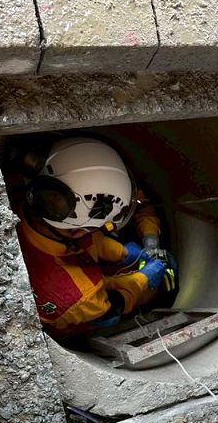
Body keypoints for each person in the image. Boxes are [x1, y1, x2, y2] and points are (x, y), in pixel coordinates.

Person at [15, 136, 177, 340]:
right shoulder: (79, 294)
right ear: (76, 231)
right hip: (77, 320)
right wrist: (143, 279)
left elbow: (83, 240)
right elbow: (112, 305)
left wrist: (122, 253)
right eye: (94, 228)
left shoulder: (27, 200)